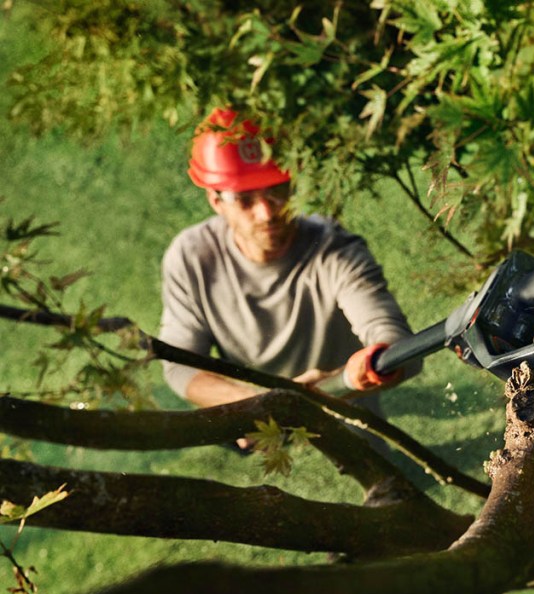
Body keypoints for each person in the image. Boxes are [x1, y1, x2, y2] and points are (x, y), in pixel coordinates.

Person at [159, 107, 417, 419]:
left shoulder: (335, 250)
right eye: (245, 200)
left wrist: (356, 375)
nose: (267, 213)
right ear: (215, 201)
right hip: (251, 405)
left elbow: (401, 350)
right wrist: (257, 403)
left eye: (278, 190)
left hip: (344, 400)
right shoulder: (191, 258)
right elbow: (180, 366)